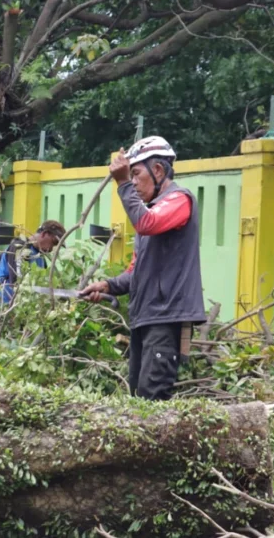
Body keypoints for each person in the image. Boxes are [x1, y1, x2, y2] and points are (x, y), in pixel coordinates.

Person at [78, 136, 205, 400]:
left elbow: (147, 223)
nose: (133, 183)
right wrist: (108, 285)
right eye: (130, 176)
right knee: (137, 397)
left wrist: (122, 182)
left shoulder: (179, 200)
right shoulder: (152, 214)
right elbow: (136, 272)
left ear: (158, 170)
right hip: (145, 318)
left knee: (152, 400)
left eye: (136, 174)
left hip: (166, 319)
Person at [0, 219, 66, 305]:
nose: (51, 248)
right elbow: (17, 282)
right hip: (7, 306)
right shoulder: (20, 248)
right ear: (44, 234)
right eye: (53, 243)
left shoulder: (40, 258)